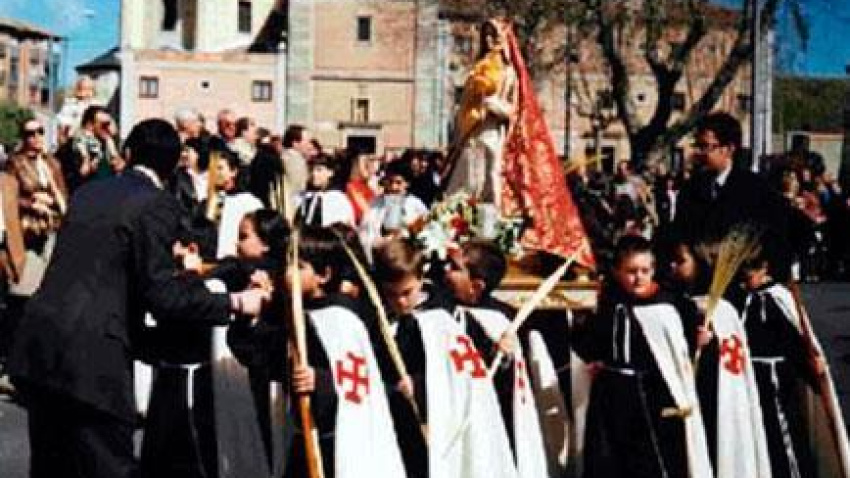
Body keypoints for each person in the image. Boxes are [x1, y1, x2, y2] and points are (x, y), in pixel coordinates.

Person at [6, 119, 269, 478]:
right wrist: (235, 303)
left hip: (42, 349)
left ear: (128, 153)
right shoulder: (155, 203)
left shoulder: (88, 193)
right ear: (174, 163)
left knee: (54, 466)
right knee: (107, 465)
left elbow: (102, 265)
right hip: (92, 362)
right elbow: (161, 295)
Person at [373, 238, 519, 478]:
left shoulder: (446, 315)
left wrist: (499, 352)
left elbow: (470, 368)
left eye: (407, 292)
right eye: (391, 294)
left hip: (443, 425)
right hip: (396, 424)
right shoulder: (376, 318)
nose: (400, 301)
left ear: (421, 279)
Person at [573, 235, 712, 478]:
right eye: (631, 271)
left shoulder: (668, 303)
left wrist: (698, 338)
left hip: (654, 394)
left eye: (645, 270)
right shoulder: (609, 302)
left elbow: (682, 343)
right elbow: (589, 347)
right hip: (612, 395)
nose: (639, 278)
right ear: (617, 271)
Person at [443, 240, 550, 478]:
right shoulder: (439, 308)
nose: (446, 271)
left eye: (455, 268)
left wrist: (503, 358)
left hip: (486, 416)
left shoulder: (501, 320)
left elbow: (508, 383)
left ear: (477, 286)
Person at [667, 241, 771, 478]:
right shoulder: (678, 303)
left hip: (716, 393)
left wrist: (708, 343)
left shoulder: (720, 310)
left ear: (699, 264)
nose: (673, 266)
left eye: (681, 261)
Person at [734, 249, 824, 478]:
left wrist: (809, 369)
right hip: (753, 375)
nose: (747, 278)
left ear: (764, 269)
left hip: (778, 376)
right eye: (743, 273)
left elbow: (795, 339)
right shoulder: (742, 298)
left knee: (784, 430)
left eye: (751, 272)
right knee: (763, 432)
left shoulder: (778, 297)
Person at [674, 112, 791, 281]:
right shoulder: (689, 190)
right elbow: (680, 233)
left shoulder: (757, 190)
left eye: (706, 146)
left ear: (728, 149)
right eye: (697, 146)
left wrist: (765, 271)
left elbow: (777, 240)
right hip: (699, 284)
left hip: (743, 284)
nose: (699, 153)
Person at [445, 19, 517, 205]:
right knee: (467, 177)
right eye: (485, 34)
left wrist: (494, 105)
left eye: (493, 34)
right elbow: (464, 105)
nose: (488, 39)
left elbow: (514, 109)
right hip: (472, 132)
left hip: (494, 132)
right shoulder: (475, 71)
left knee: (491, 176)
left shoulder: (509, 73)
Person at [295, 153, 355, 228]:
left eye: (319, 170)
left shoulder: (337, 199)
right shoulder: (308, 197)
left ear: (330, 172)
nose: (314, 174)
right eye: (311, 169)